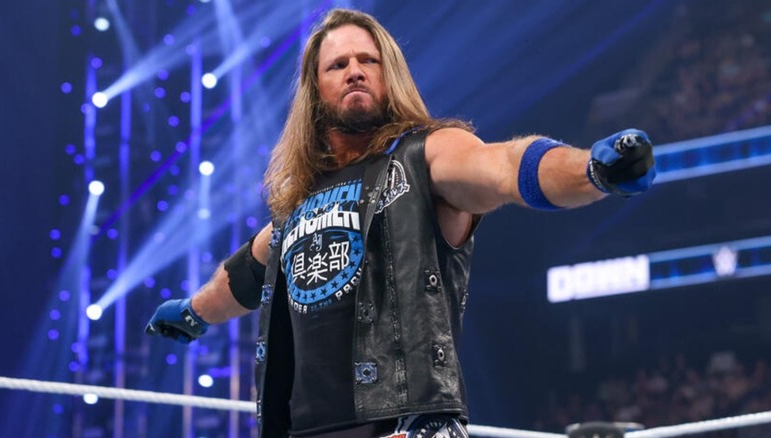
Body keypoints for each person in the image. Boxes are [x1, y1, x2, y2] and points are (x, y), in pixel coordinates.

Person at [145, 8, 656, 438]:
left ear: (388, 75)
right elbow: (245, 275)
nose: (355, 70)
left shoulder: (426, 155)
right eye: (338, 63)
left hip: (406, 423)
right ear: (315, 89)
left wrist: (592, 169)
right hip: (304, 427)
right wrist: (193, 313)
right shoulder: (296, 206)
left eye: (368, 60)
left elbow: (504, 167)